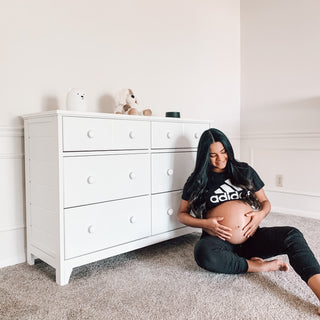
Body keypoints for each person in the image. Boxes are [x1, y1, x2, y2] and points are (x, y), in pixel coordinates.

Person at [177, 128, 320, 314]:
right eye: (212, 155)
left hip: (252, 238)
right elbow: (181, 214)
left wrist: (260, 215)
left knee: (292, 234)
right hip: (219, 241)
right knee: (203, 253)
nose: (220, 159)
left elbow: (265, 203)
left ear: (228, 149)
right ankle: (258, 266)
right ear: (204, 156)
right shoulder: (198, 180)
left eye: (223, 152)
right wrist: (206, 224)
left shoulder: (243, 171)